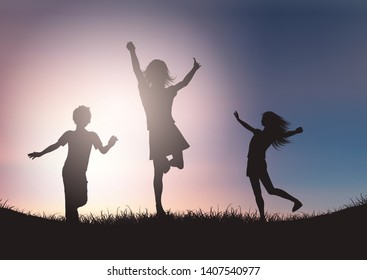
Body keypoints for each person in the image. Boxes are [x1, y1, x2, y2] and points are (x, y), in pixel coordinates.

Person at [126, 41, 201, 216]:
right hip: (157, 132)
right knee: (158, 172)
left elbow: (184, 82)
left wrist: (194, 69)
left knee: (179, 164)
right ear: (153, 75)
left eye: (161, 73)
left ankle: (165, 163)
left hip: (170, 129)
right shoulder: (145, 90)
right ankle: (159, 207)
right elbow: (137, 71)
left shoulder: (169, 91)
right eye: (157, 73)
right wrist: (132, 51)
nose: (160, 76)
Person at [28, 106, 118, 223]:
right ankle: (72, 224)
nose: (85, 120)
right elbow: (55, 145)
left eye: (86, 117)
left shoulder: (92, 136)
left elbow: (103, 150)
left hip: (81, 172)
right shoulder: (69, 134)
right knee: (70, 199)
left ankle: (71, 218)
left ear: (88, 120)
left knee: (82, 199)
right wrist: (40, 153)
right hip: (69, 170)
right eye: (82, 117)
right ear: (76, 119)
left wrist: (110, 144)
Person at [234, 110, 303, 222]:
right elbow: (284, 134)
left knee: (264, 191)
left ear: (267, 122)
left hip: (256, 163)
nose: (261, 120)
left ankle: (264, 216)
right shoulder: (265, 134)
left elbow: (248, 127)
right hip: (254, 163)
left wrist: (295, 132)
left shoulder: (264, 134)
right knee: (266, 191)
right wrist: (295, 132)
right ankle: (263, 217)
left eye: (263, 119)